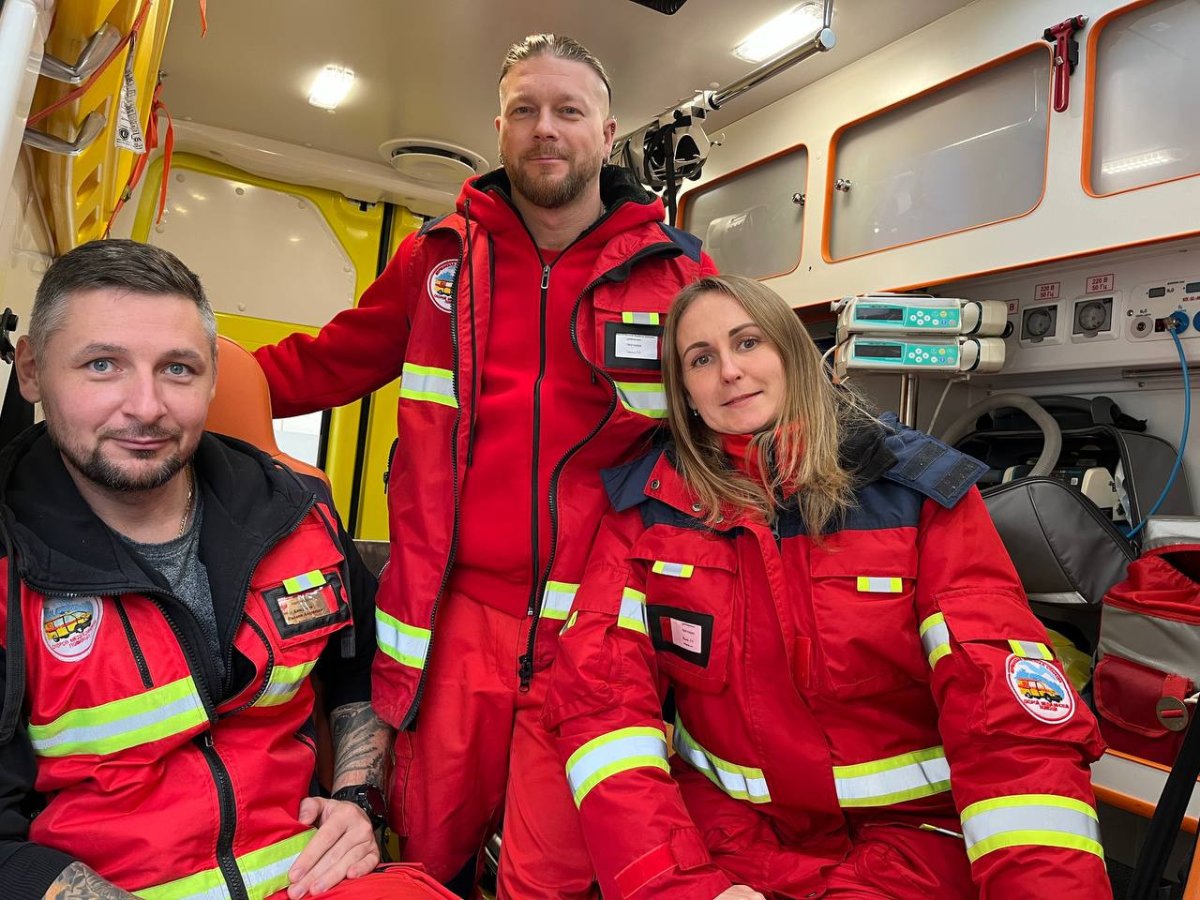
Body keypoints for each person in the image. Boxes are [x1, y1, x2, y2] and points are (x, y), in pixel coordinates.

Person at [253, 34, 716, 897]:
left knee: (554, 876)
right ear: (498, 129)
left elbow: (734, 416)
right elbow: (326, 363)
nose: (547, 129)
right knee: (424, 856)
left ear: (607, 133)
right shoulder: (437, 257)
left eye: (569, 110)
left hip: (597, 628)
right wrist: (189, 381)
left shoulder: (679, 275)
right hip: (453, 623)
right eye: (525, 110)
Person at [548, 274, 1111, 899]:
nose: (729, 371)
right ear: (684, 392)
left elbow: (1006, 725)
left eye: (748, 342)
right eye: (701, 359)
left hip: (909, 850)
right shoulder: (646, 511)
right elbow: (601, 707)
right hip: (724, 846)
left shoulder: (918, 497)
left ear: (792, 351)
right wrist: (678, 886)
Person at [0, 239, 454, 900]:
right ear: (32, 370)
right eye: (103, 365)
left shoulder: (296, 512)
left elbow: (359, 664)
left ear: (212, 377)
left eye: (178, 369)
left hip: (311, 878)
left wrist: (358, 799)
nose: (146, 406)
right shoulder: (9, 563)